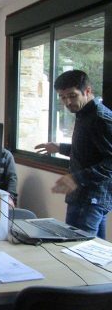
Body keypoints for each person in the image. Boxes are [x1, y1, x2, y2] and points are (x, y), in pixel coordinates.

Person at [34, 70, 112, 239]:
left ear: (88, 91)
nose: (67, 102)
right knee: (94, 251)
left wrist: (77, 178)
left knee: (78, 249)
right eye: (62, 97)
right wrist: (59, 148)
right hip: (82, 195)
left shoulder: (100, 118)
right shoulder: (83, 114)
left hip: (93, 198)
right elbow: (89, 151)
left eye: (72, 95)